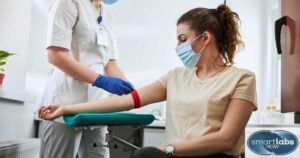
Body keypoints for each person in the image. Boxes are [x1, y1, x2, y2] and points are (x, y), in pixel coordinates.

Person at [39, 4, 257, 158]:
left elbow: (226, 140)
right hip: (67, 95)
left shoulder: (241, 78)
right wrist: (67, 107)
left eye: (182, 39)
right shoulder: (176, 77)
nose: (177, 46)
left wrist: (169, 149)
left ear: (206, 38)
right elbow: (125, 101)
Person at [38, 0, 134, 158]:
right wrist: (100, 80)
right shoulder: (68, 2)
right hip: (65, 102)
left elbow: (110, 63)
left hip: (96, 108)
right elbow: (55, 55)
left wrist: (134, 94)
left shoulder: (106, 14)